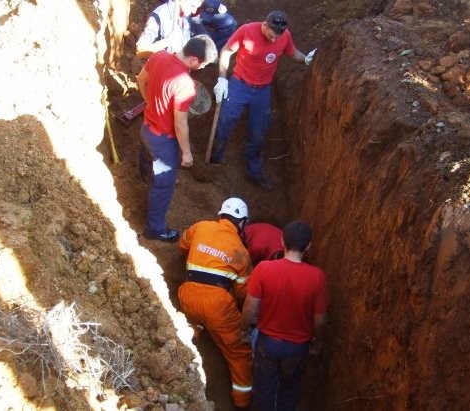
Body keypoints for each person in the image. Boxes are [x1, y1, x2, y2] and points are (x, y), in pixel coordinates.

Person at [209, 10, 317, 192]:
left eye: (278, 37)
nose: (274, 40)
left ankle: (253, 171)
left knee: (258, 132)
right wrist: (222, 78)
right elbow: (227, 51)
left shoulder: (284, 36)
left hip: (262, 91)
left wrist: (306, 59)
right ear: (265, 25)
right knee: (226, 120)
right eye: (271, 35)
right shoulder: (246, 31)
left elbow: (292, 52)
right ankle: (216, 157)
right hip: (239, 84)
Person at [240, 220, 328, 411]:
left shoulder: (264, 268)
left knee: (265, 389)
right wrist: (318, 342)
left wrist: (244, 329)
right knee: (290, 389)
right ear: (309, 246)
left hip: (268, 344)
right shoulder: (317, 276)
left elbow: (249, 308)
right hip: (298, 348)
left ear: (282, 241)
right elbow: (320, 319)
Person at [137, 35, 218, 242]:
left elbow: (140, 80)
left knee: (146, 160)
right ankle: (155, 229)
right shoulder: (185, 84)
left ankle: (144, 177)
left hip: (146, 129)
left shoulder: (159, 56)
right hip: (163, 142)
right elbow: (180, 123)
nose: (202, 68)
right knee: (163, 185)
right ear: (194, 60)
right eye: (204, 64)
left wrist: (151, 105)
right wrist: (187, 152)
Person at [177, 197, 253, 408]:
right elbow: (242, 293)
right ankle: (242, 402)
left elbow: (182, 245)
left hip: (187, 294)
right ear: (242, 222)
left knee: (194, 321)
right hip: (218, 305)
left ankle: (192, 333)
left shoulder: (200, 227)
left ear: (220, 215)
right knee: (239, 352)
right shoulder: (241, 252)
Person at [136, 0, 204, 58]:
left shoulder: (186, 14)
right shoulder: (160, 16)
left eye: (197, 8)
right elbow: (140, 50)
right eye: (192, 6)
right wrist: (167, 41)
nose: (194, 11)